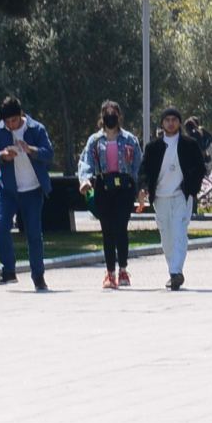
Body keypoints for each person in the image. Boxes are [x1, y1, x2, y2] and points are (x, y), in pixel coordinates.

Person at [0, 97, 55, 291]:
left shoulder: (36, 129)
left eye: (14, 121)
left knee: (33, 234)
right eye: (7, 122)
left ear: (21, 115)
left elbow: (49, 153)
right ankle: (8, 271)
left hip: (32, 189)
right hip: (8, 190)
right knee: (1, 226)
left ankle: (38, 276)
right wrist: (1, 156)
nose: (11, 126)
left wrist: (32, 150)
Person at [77, 100, 142, 289]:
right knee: (107, 231)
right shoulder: (95, 140)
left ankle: (123, 270)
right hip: (103, 188)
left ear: (119, 116)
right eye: (107, 113)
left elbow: (137, 165)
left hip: (124, 188)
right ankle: (110, 273)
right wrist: (86, 180)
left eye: (114, 113)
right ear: (102, 116)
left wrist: (139, 190)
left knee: (121, 228)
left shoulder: (130, 139)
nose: (111, 116)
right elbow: (86, 161)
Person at [139, 106, 205, 290]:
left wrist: (191, 188)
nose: (170, 123)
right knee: (166, 236)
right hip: (160, 197)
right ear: (162, 123)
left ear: (179, 122)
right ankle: (172, 271)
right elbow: (144, 171)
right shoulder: (153, 147)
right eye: (167, 120)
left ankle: (177, 272)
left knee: (179, 232)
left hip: (181, 196)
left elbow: (200, 168)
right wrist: (144, 189)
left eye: (174, 119)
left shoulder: (189, 145)